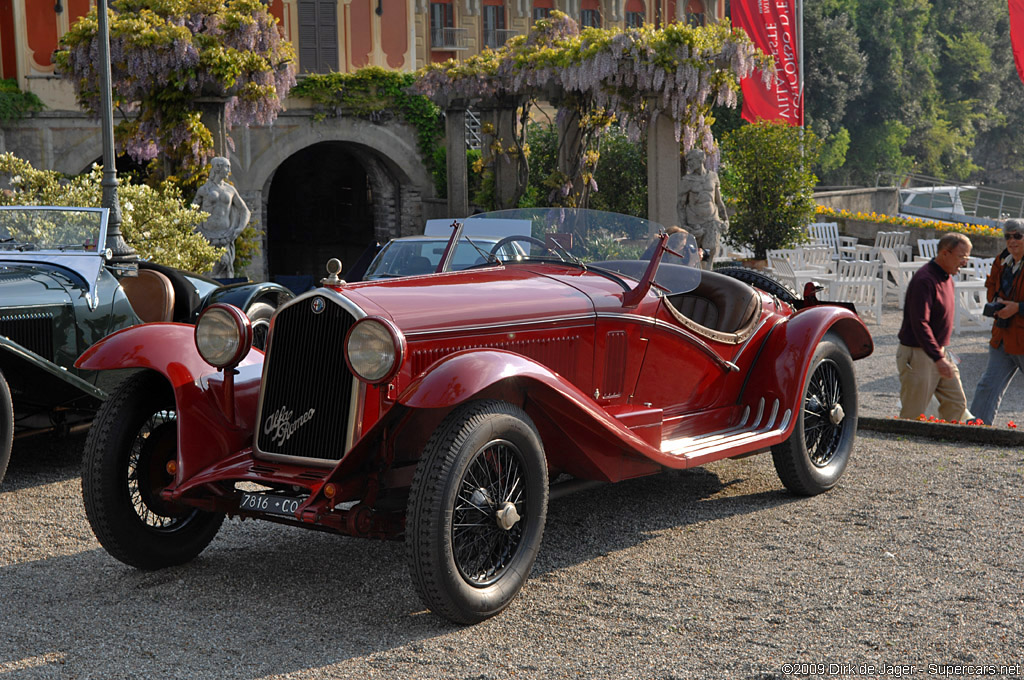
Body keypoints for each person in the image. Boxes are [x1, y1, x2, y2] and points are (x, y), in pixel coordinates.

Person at [896, 232, 972, 421]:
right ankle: (906, 447)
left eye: (967, 257)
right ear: (944, 253)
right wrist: (938, 357)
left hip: (938, 352)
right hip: (919, 353)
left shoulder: (947, 277)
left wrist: (941, 354)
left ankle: (943, 442)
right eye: (961, 256)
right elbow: (920, 323)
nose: (964, 262)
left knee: (956, 403)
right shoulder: (925, 280)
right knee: (913, 412)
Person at [969, 219, 1024, 424]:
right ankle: (976, 429)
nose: (1012, 240)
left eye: (1017, 236)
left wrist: (1018, 308)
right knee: (988, 386)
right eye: (1008, 236)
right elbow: (991, 285)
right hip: (1002, 336)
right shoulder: (1001, 261)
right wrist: (995, 302)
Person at [193, 156, 251, 278]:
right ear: (218, 167)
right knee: (208, 272)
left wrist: (239, 228)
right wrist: (196, 231)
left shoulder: (231, 190)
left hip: (226, 236)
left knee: (226, 270)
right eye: (227, 167)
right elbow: (191, 213)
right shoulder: (204, 190)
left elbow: (245, 210)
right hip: (207, 237)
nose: (229, 170)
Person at [677, 148, 728, 269]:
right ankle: (697, 280)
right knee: (694, 255)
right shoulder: (687, 180)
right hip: (695, 222)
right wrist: (684, 225)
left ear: (701, 159)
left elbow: (718, 201)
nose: (689, 164)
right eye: (687, 161)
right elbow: (680, 205)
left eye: (691, 160)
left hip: (712, 220)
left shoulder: (713, 177)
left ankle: (709, 279)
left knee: (710, 254)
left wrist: (725, 219)